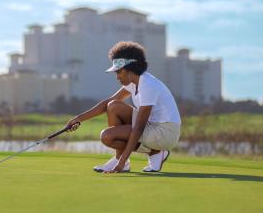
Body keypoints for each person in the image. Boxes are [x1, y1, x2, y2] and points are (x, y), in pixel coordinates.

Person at [67, 41, 181, 173]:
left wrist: (120, 164)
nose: (117, 77)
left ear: (130, 69)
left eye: (119, 72)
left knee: (107, 136)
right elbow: (107, 103)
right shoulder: (134, 82)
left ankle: (146, 154)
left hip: (165, 133)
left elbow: (138, 128)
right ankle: (131, 157)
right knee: (113, 106)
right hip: (152, 126)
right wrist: (78, 119)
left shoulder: (148, 85)